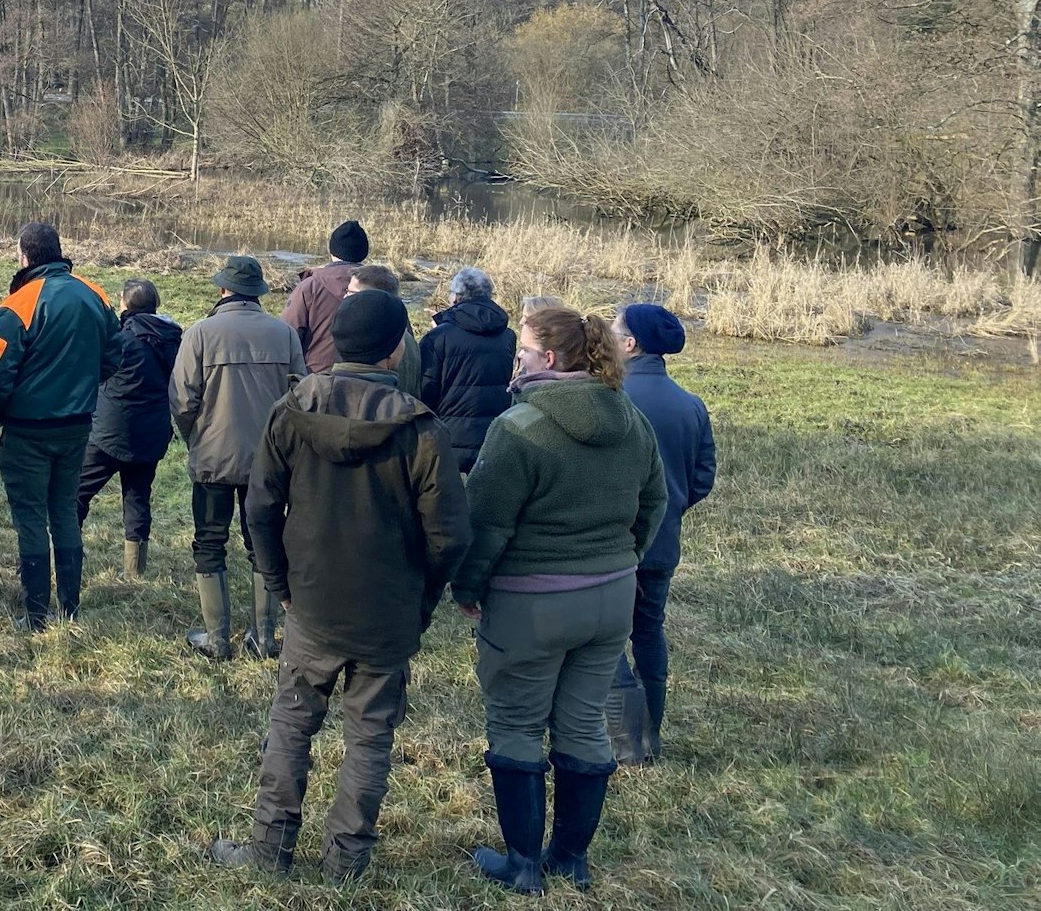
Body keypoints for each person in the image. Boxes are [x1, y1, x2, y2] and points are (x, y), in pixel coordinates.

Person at [214, 290, 470, 882]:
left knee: (291, 725)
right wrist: (422, 597)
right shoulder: (422, 429)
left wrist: (279, 581)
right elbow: (450, 536)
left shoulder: (291, 409)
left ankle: (270, 852)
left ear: (333, 341)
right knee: (370, 739)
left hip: (310, 603)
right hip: (386, 612)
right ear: (395, 350)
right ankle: (345, 864)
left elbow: (259, 509)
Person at [450, 307, 667, 895]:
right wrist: (623, 558)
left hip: (533, 604)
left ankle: (523, 865)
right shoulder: (631, 418)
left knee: (516, 724)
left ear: (547, 358)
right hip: (611, 597)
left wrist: (467, 588)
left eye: (521, 351)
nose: (514, 360)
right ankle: (571, 859)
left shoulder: (518, 427)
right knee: (584, 721)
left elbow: (486, 524)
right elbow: (655, 501)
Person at [0, 222, 122, 630]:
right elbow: (115, 354)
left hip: (27, 431)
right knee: (64, 511)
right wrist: (82, 383)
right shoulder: (95, 294)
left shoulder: (17, 306)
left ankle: (36, 614)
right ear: (58, 251)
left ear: (24, 256)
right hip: (77, 427)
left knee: (30, 517)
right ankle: (70, 609)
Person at [171, 255, 307, 660]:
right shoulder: (284, 334)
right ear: (259, 291)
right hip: (267, 460)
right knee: (263, 543)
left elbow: (182, 400)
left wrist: (195, 437)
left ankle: (216, 638)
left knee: (210, 542)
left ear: (222, 289)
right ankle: (263, 639)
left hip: (213, 457)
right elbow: (300, 398)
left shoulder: (200, 333)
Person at [611, 302, 717, 762]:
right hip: (662, 544)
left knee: (605, 636)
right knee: (649, 633)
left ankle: (627, 739)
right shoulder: (691, 405)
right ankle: (651, 733)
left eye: (614, 330)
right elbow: (702, 478)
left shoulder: (611, 397)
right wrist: (669, 509)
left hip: (612, 543)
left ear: (630, 344)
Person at [77, 278, 181, 578]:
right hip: (151, 434)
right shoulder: (175, 339)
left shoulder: (119, 339)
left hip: (109, 433)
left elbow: (93, 374)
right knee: (138, 498)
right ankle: (135, 572)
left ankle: (65, 557)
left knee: (75, 494)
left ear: (125, 304)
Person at [419, 267, 518, 473]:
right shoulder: (508, 335)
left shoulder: (438, 337)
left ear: (455, 297)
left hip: (447, 437)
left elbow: (425, 392)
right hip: (494, 435)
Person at [281, 220, 370, 372]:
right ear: (363, 252)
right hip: (369, 379)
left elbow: (287, 335)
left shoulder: (310, 287)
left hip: (316, 377)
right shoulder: (380, 287)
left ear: (332, 251)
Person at [345, 264, 421, 396]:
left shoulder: (380, 339)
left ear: (374, 298)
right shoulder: (399, 330)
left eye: (351, 293)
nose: (345, 297)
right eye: (346, 291)